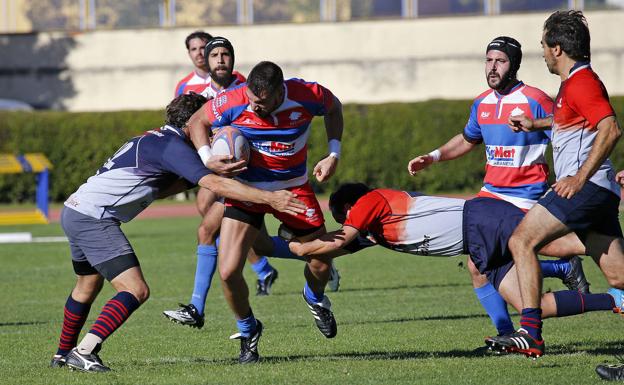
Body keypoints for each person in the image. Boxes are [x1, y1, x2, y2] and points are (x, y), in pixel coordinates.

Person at [49, 93, 305, 372]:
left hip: (74, 210)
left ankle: (61, 354)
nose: (210, 130)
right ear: (192, 124)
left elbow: (160, 188)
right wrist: (270, 198)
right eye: (206, 125)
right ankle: (84, 351)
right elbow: (212, 184)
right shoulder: (173, 146)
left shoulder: (155, 139)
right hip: (94, 217)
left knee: (87, 286)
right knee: (136, 289)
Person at [288, 183, 621, 358]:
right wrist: (289, 244)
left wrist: (301, 246)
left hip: (480, 219)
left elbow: (338, 240)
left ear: (349, 207)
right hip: (477, 244)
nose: (347, 222)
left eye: (343, 216)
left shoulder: (369, 201)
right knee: (532, 306)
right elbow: (331, 248)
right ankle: (616, 299)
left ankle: (602, 240)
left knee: (553, 244)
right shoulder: (377, 231)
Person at [407, 36, 589, 342]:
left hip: (528, 198)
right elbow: (468, 139)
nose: (492, 67)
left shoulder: (535, 99)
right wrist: (433, 157)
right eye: (488, 60)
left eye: (500, 61)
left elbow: (566, 129)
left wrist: (572, 174)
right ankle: (506, 332)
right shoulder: (482, 103)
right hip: (491, 195)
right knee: (477, 263)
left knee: (538, 248)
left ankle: (574, 266)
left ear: (514, 65)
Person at [488, 10, 624, 360]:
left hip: (586, 188)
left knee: (522, 240)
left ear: (558, 48)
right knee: (619, 277)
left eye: (544, 46)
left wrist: (578, 178)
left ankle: (530, 333)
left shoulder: (583, 82)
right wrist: (536, 123)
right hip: (599, 192)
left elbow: (610, 129)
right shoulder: (573, 85)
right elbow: (569, 120)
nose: (543, 53)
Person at [186, 61, 343, 363]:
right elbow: (196, 122)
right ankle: (248, 330)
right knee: (229, 271)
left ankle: (314, 297)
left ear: (279, 92)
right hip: (247, 193)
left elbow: (334, 108)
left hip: (294, 189)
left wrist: (333, 153)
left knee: (322, 261)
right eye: (251, 100)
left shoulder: (306, 93)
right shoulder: (234, 99)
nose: (254, 107)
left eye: (262, 103)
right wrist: (208, 158)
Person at [164, 37, 281, 332]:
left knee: (209, 230)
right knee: (252, 239)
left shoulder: (246, 87)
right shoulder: (188, 87)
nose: (218, 60)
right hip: (219, 168)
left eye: (224, 54)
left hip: (245, 172)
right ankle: (307, 259)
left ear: (232, 57)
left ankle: (197, 307)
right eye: (212, 54)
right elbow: (186, 123)